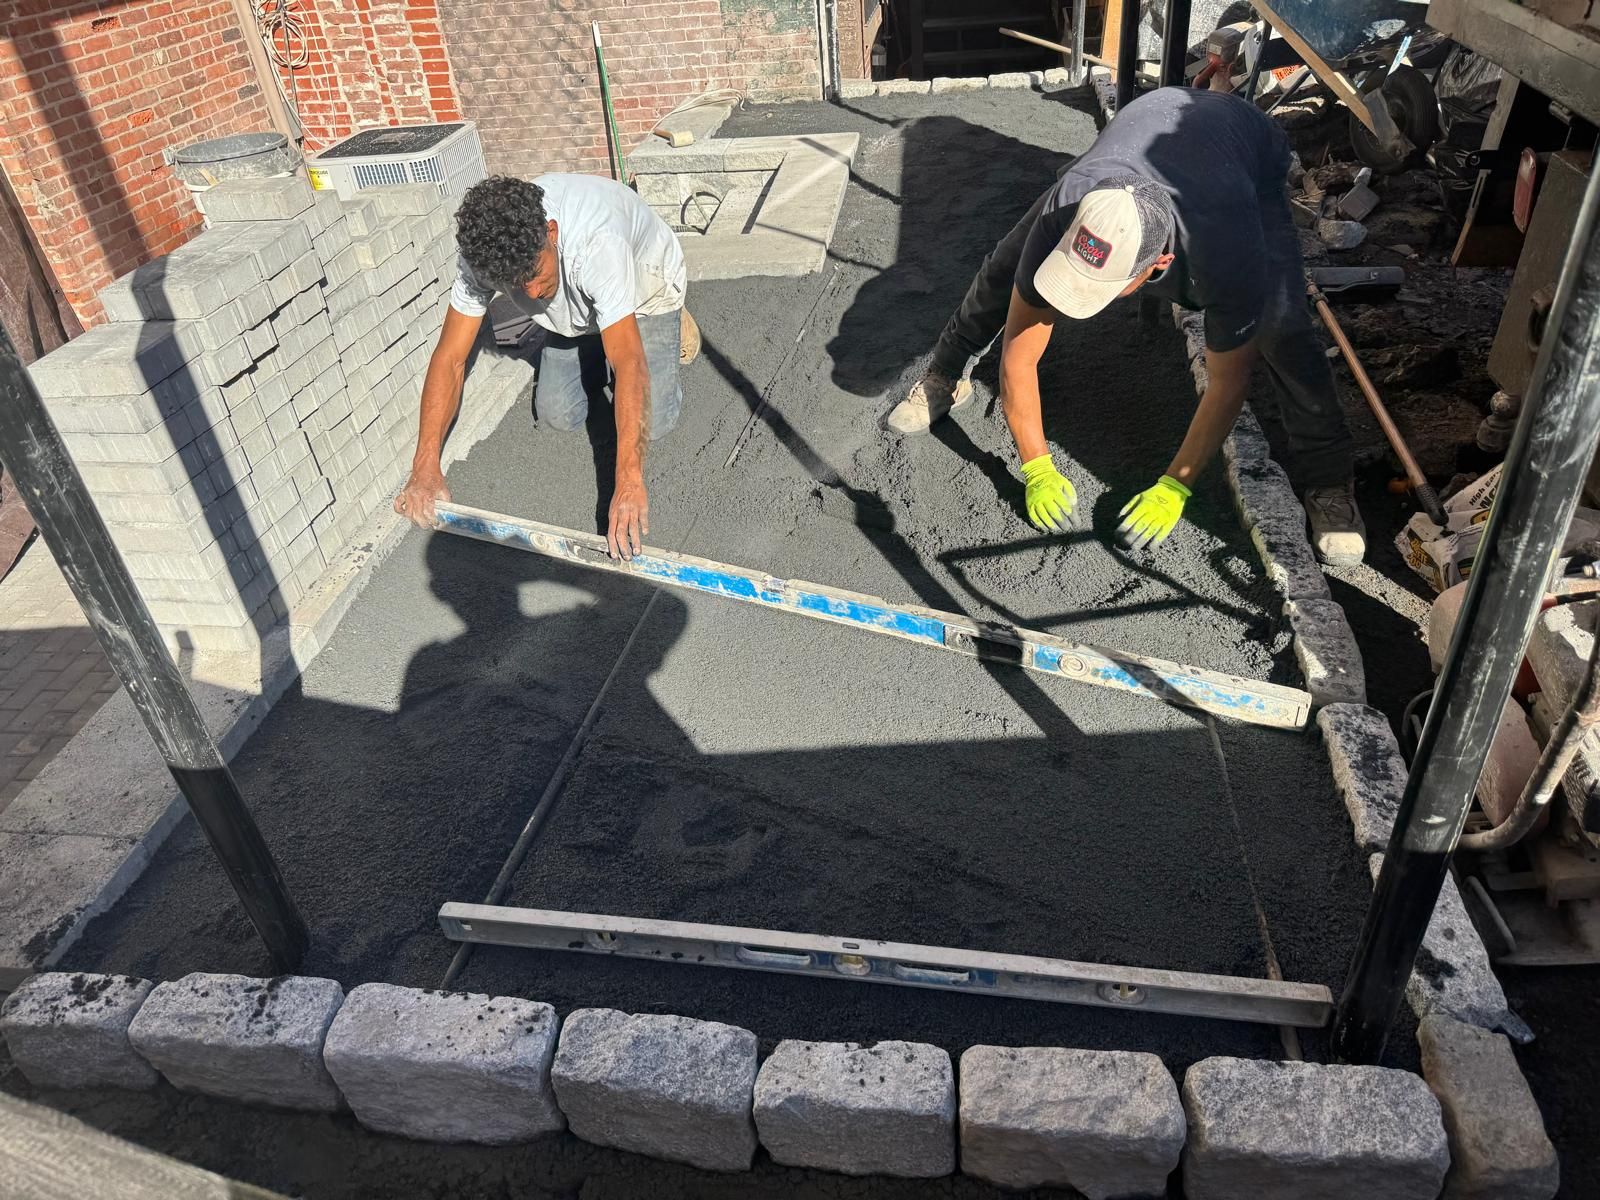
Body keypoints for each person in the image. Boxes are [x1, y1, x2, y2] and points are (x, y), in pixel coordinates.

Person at [883, 87, 1365, 564]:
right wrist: (1036, 467)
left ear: (1159, 267)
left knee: (1282, 326)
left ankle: (1328, 479)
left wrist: (1176, 485)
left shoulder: (1225, 250)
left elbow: (1228, 381)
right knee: (1003, 268)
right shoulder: (1071, 207)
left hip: (1245, 150)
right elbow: (1019, 353)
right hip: (1147, 122)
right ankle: (946, 375)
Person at [395, 174, 700, 560]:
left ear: (551, 233)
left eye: (536, 275)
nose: (533, 293)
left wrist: (627, 481)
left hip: (646, 286)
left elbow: (629, 361)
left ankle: (669, 324)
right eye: (517, 287)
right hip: (574, 310)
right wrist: (425, 465)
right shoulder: (483, 256)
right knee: (558, 413)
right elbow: (451, 357)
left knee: (654, 423)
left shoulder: (597, 243)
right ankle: (596, 329)